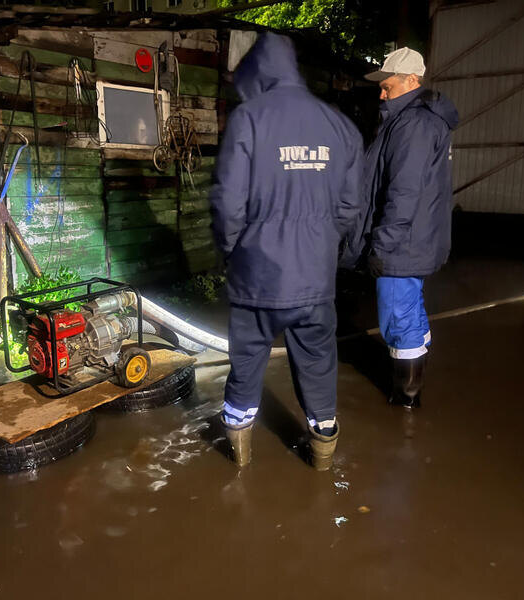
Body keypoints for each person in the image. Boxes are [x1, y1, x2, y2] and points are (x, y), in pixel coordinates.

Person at [210, 32, 365, 469]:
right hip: (315, 279)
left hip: (254, 279)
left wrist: (231, 251)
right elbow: (351, 205)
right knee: (318, 365)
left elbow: (228, 203)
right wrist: (320, 246)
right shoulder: (340, 125)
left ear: (257, 71)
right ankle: (322, 461)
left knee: (245, 368)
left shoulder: (249, 119)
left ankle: (239, 463)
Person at [342, 47, 459, 409]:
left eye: (387, 87)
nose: (381, 93)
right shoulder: (410, 120)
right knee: (410, 310)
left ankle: (405, 398)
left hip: (403, 244)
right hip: (414, 240)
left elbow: (404, 192)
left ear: (411, 81)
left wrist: (383, 246)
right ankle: (411, 382)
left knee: (398, 317)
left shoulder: (414, 124)